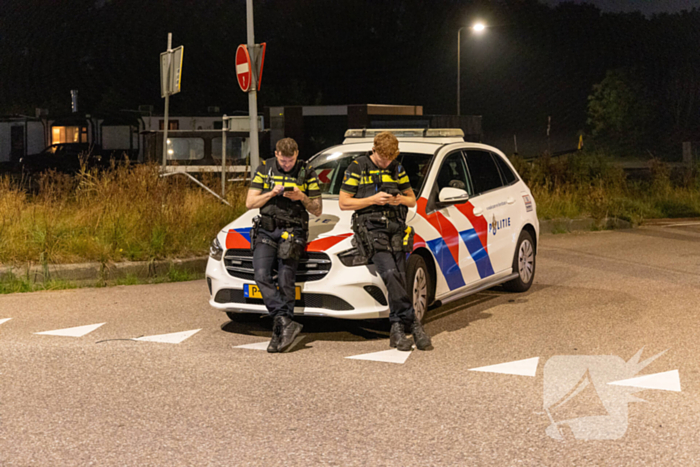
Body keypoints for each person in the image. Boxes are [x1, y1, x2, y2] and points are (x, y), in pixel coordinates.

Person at [338, 132, 432, 351]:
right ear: (375, 150)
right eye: (383, 158)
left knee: (399, 277)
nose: (386, 162)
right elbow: (344, 202)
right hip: (371, 229)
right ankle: (415, 325)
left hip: (395, 228)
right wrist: (372, 199)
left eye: (390, 158)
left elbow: (412, 200)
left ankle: (397, 331)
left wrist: (399, 199)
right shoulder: (357, 167)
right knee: (390, 273)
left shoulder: (397, 168)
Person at [246, 138, 322, 353]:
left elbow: (317, 210)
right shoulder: (265, 168)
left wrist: (302, 197)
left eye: (291, 161)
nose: (287, 164)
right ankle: (284, 321)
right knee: (261, 275)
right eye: (284, 160)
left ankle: (280, 331)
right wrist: (271, 193)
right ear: (276, 154)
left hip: (293, 229)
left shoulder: (307, 171)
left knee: (285, 279)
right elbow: (250, 202)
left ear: (297, 154)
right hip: (267, 229)